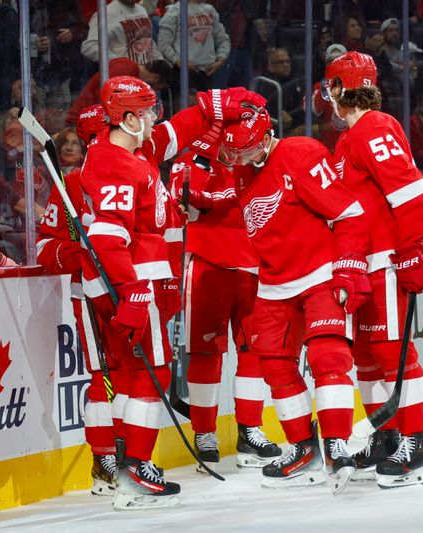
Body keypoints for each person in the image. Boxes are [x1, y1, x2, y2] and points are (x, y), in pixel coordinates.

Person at [80, 77, 267, 508]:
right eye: (146, 112)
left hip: (127, 282)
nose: (153, 119)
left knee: (131, 376)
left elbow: (178, 130)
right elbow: (109, 237)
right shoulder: (117, 164)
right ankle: (136, 471)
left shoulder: (133, 150)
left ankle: (129, 464)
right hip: (131, 282)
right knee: (152, 374)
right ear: (127, 119)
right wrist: (130, 293)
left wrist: (217, 104)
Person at [218, 109, 371, 491]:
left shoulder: (299, 152)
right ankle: (304, 447)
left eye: (247, 150)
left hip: (319, 273)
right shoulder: (240, 168)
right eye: (233, 153)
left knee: (328, 356)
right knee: (273, 365)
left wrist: (349, 266)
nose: (239, 159)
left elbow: (348, 212)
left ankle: (336, 442)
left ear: (266, 136)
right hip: (272, 282)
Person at [323, 51, 423, 487]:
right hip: (367, 262)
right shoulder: (350, 137)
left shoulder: (373, 126)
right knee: (368, 356)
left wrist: (410, 253)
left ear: (340, 89)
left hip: (390, 259)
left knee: (392, 353)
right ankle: (386, 434)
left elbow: (415, 195)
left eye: (331, 89)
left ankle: (416, 439)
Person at [167, 149, 281, 470]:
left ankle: (250, 429)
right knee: (206, 353)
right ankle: (204, 433)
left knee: (253, 350)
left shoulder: (260, 161)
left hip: (253, 265)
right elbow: (184, 198)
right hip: (207, 262)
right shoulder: (192, 161)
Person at [36, 103, 120, 496]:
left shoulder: (134, 172)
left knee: (134, 376)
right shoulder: (70, 185)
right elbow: (44, 247)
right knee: (103, 377)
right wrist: (80, 253)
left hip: (132, 290)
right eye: (106, 133)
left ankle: (134, 454)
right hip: (89, 293)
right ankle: (105, 459)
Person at [65, 57, 171, 126]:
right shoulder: (125, 70)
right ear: (156, 78)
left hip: (88, 118)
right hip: (84, 119)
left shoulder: (127, 67)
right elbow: (103, 97)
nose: (153, 90)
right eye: (158, 87)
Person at [158, 0, 230, 92]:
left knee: (207, 105)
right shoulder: (175, 10)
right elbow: (163, 43)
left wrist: (221, 59)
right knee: (185, 105)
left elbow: (223, 39)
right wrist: (179, 62)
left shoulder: (209, 10)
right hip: (184, 74)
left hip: (208, 73)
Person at [81, 0, 162, 66]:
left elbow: (148, 40)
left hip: (149, 76)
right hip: (124, 79)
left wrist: (160, 61)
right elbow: (88, 46)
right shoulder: (106, 14)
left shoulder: (142, 10)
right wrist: (121, 63)